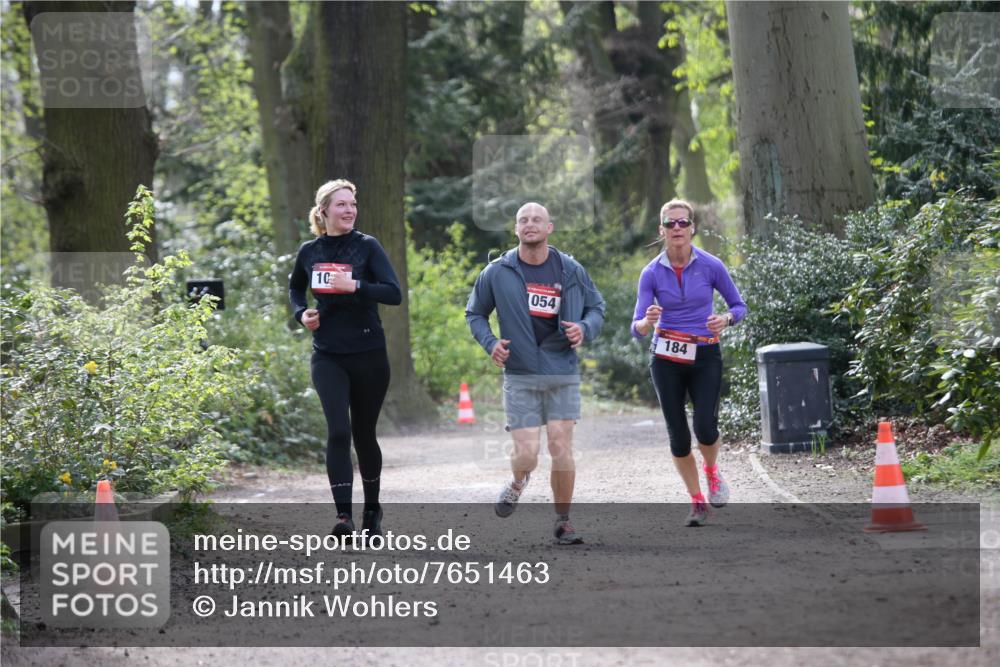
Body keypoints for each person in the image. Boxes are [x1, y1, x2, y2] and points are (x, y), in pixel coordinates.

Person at [466, 202, 605, 545]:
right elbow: (475, 313)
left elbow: (596, 307)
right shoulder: (498, 272)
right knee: (527, 454)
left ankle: (563, 521)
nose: (530, 224)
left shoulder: (571, 269)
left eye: (537, 219)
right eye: (523, 220)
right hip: (520, 372)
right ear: (516, 229)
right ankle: (518, 481)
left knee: (561, 446)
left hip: (561, 370)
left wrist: (584, 328)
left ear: (549, 228)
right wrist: (491, 343)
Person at [288, 179, 401, 538]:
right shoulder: (309, 251)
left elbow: (394, 293)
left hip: (369, 354)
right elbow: (295, 288)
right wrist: (301, 314)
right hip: (328, 355)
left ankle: (372, 511)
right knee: (339, 431)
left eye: (353, 204)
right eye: (341, 205)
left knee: (364, 434)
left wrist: (355, 286)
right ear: (323, 211)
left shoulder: (367, 246)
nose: (350, 210)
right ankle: (343, 517)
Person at [630, 199, 747, 526]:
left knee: (706, 428)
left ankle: (712, 471)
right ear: (662, 230)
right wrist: (647, 321)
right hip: (665, 358)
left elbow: (739, 306)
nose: (677, 228)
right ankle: (697, 501)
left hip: (705, 354)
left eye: (683, 222)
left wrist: (725, 319)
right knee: (679, 437)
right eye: (671, 223)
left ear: (692, 228)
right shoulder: (651, 272)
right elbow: (636, 327)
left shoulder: (711, 265)